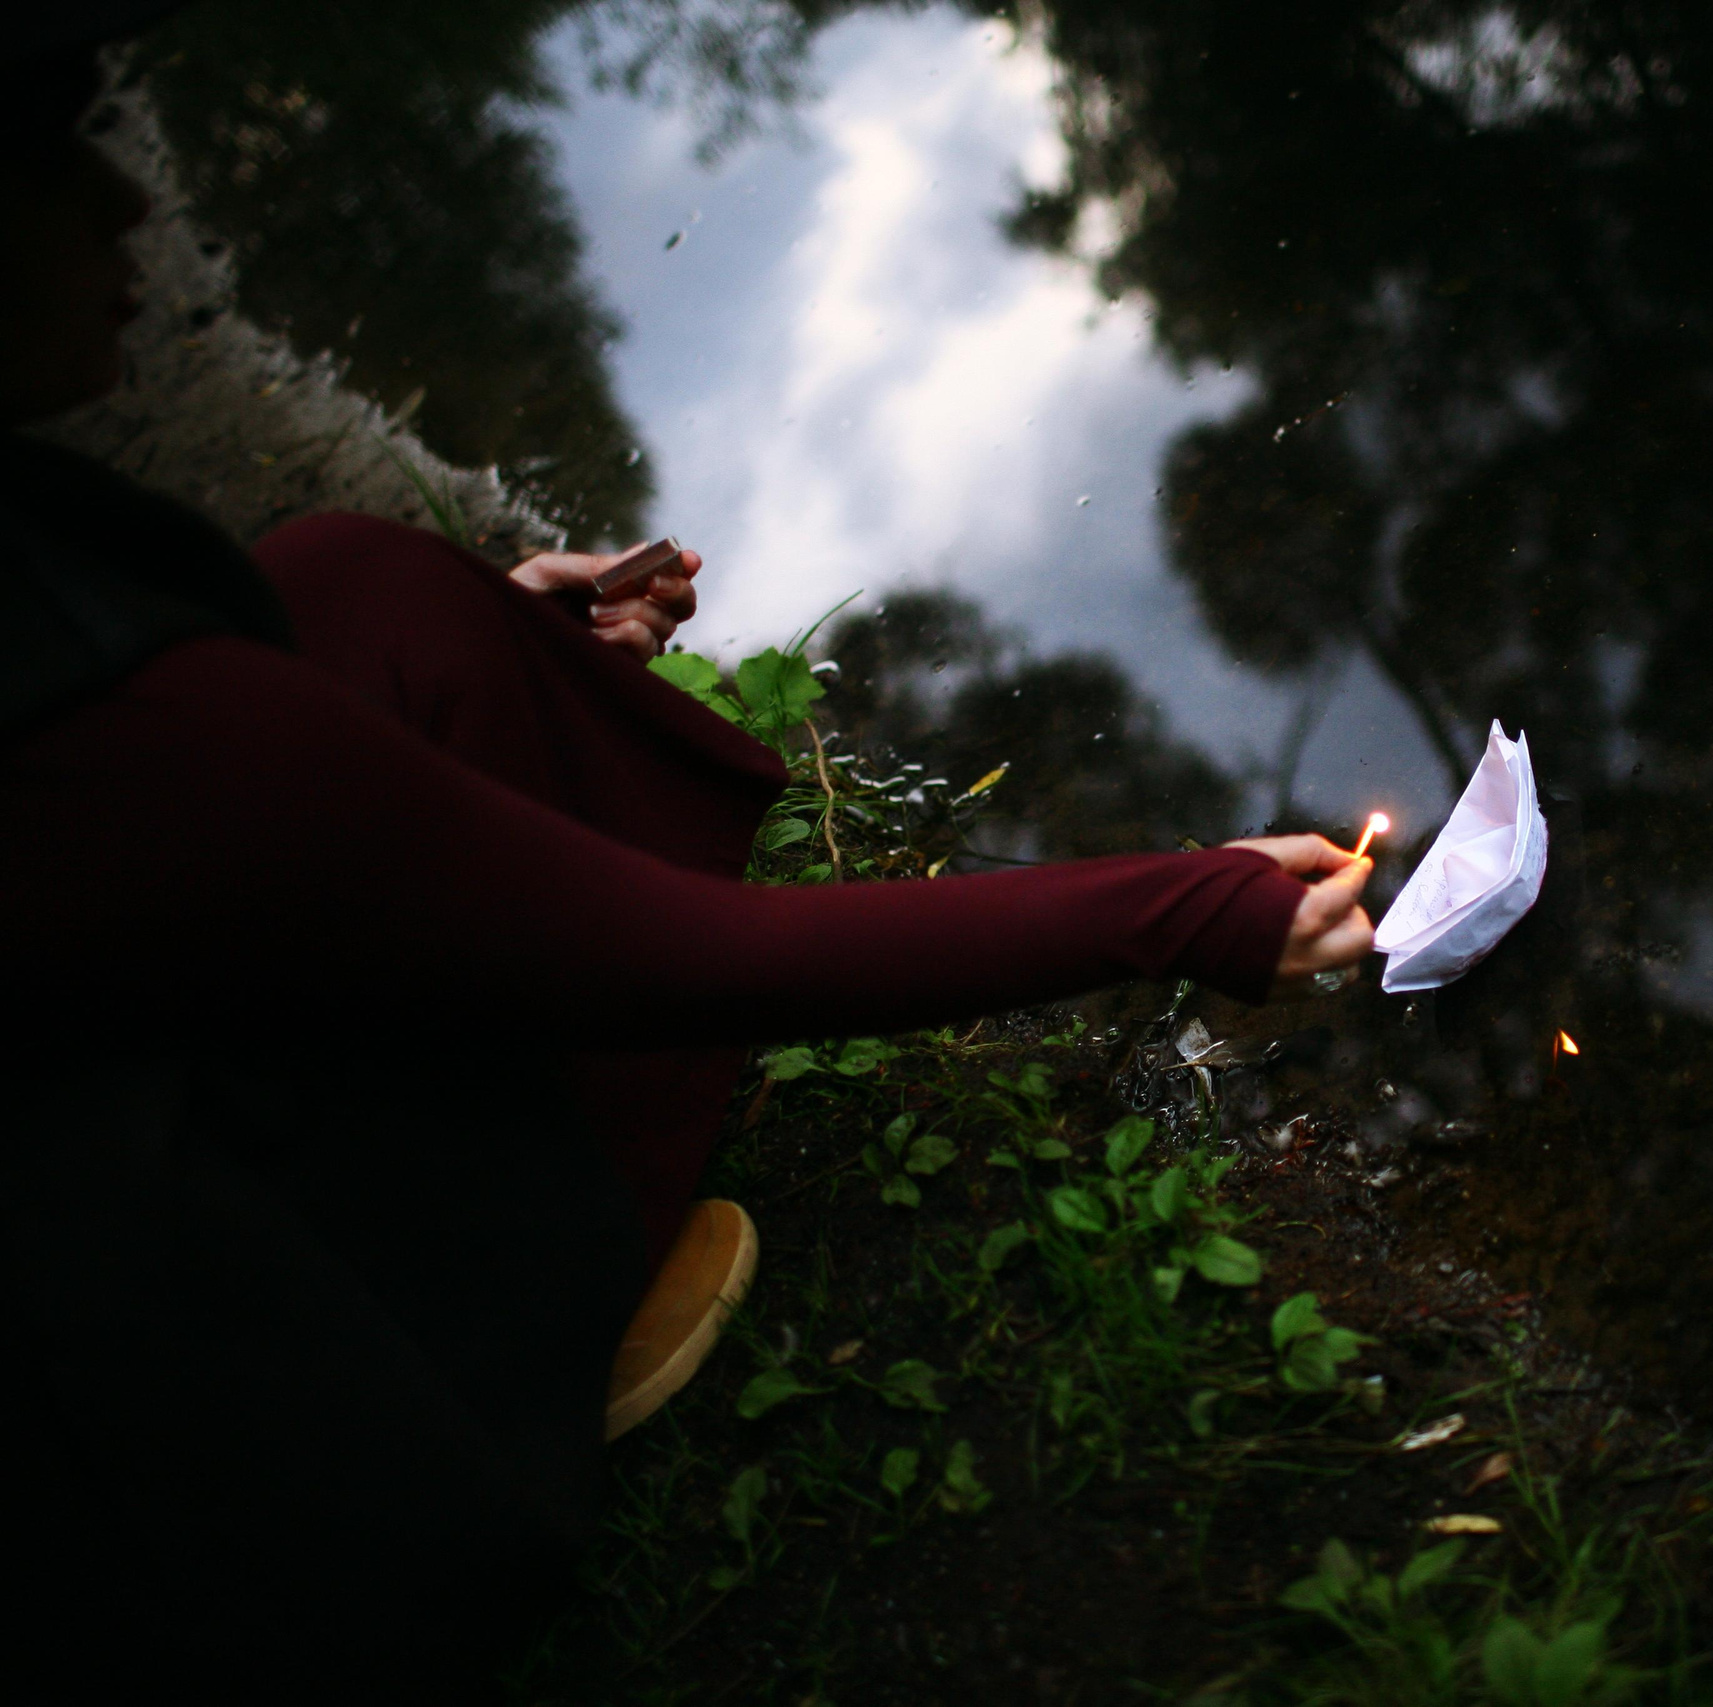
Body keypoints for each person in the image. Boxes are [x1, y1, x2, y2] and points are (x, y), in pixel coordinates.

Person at [0, 17, 1373, 1699]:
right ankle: (488, 1349)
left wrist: (475, 637)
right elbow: (698, 961)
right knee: (465, 988)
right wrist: (1183, 903)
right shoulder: (90, 729)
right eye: (50, 166)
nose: (124, 208)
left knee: (363, 581)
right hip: (141, 1387)